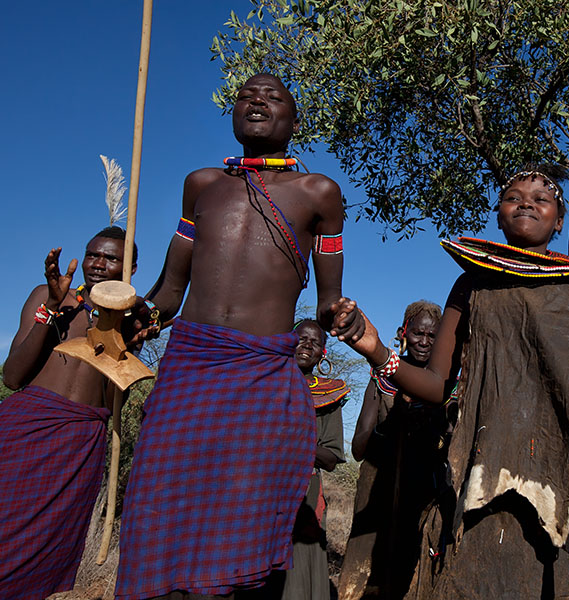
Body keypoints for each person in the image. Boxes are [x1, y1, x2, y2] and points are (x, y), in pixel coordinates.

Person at [339, 165, 569, 599]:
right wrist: (376, 350)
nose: (526, 204)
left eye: (542, 199)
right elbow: (440, 386)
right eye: (513, 196)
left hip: (563, 481)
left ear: (558, 221)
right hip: (482, 480)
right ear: (498, 216)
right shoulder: (473, 283)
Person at [115, 73, 362, 600]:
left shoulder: (319, 193)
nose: (257, 102)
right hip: (188, 366)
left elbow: (325, 298)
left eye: (273, 98)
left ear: (295, 122)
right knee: (159, 504)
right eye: (247, 96)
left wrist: (337, 317)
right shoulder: (201, 185)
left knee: (242, 518)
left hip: (263, 372)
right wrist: (137, 316)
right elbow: (169, 292)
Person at [0, 227, 137, 600]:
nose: (98, 264)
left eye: (111, 258)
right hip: (27, 432)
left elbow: (113, 399)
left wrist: (124, 341)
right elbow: (13, 377)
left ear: (131, 269)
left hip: (80, 447)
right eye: (93, 254)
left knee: (48, 550)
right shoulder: (48, 297)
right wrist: (50, 312)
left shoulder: (130, 321)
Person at [339, 300, 449, 599]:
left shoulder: (447, 386)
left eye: (432, 337)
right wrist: (392, 426)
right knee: (370, 574)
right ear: (403, 333)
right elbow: (359, 447)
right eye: (417, 334)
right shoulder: (381, 377)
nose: (424, 342)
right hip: (379, 491)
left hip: (426, 494)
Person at [277, 319, 347, 600]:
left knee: (298, 572)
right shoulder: (265, 384)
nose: (306, 345)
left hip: (305, 496)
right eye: (301, 338)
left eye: (315, 342)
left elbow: (330, 458)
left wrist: (296, 441)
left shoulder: (327, 395)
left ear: (323, 353)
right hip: (257, 490)